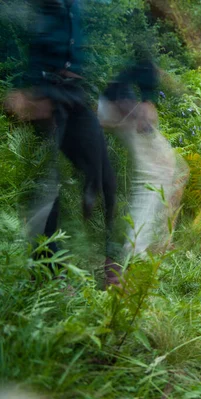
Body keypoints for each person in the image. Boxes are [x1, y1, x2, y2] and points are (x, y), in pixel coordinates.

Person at [4, 0, 116, 275]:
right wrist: (22, 87)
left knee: (106, 178)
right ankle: (48, 275)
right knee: (47, 186)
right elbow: (13, 18)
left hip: (74, 93)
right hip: (43, 94)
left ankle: (112, 263)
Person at [98, 58, 188, 287]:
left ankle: (151, 244)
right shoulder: (147, 28)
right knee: (158, 171)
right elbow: (143, 61)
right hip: (120, 105)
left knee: (169, 169)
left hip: (117, 103)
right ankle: (135, 258)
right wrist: (146, 100)